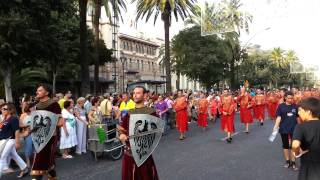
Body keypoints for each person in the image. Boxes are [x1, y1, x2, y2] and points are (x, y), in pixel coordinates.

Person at [118, 86, 159, 180]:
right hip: (129, 154)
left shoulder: (150, 112)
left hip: (143, 154)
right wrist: (121, 134)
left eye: (138, 93)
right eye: (134, 93)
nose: (135, 95)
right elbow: (121, 128)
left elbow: (156, 132)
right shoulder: (129, 113)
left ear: (145, 95)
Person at [31, 84, 62, 180]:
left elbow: (60, 122)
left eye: (40, 90)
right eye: (37, 90)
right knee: (46, 162)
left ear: (47, 92)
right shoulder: (36, 106)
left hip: (50, 137)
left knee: (41, 161)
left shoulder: (54, 104)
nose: (37, 92)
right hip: (39, 137)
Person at [292, 97, 320, 180]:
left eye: (300, 110)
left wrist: (297, 153)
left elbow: (295, 145)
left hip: (308, 168)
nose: (298, 113)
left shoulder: (301, 127)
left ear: (308, 112)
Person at [0, 103, 28, 178]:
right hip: (3, 140)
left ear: (10, 110)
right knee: (14, 155)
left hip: (10, 140)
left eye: (4, 109)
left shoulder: (13, 119)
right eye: (2, 109)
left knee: (2, 157)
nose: (2, 110)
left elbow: (17, 131)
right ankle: (25, 168)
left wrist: (17, 142)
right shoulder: (3, 119)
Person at [273, 91, 299, 171]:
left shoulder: (295, 106)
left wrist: (301, 127)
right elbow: (279, 117)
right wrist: (275, 127)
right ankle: (288, 161)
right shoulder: (281, 106)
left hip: (294, 129)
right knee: (285, 146)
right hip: (284, 128)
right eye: (289, 98)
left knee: (293, 146)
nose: (291, 100)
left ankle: (294, 162)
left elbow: (298, 117)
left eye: (292, 98)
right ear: (285, 98)